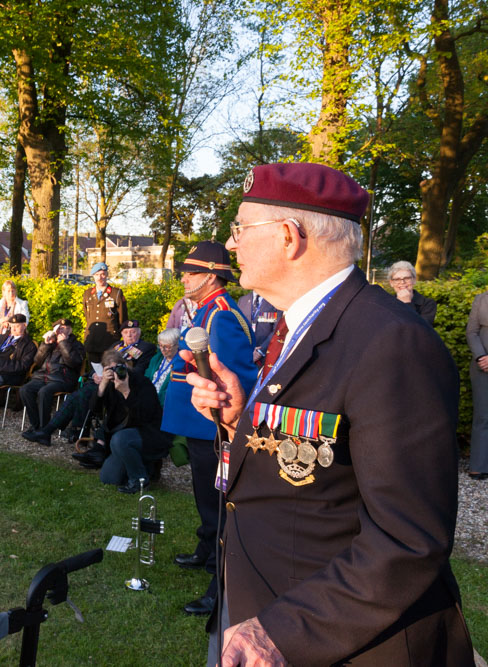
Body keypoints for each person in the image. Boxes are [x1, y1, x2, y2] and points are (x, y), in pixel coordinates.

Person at [186, 162, 473, 665]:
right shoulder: (295, 326)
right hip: (267, 605)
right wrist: (239, 422)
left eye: (239, 229)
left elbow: (408, 539)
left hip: (336, 639)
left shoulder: (390, 342)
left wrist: (283, 631)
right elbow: (317, 462)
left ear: (289, 237)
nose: (230, 246)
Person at [160, 241, 257, 619]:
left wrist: (223, 426)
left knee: (219, 506)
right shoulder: (204, 311)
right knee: (205, 499)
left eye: (192, 271)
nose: (184, 277)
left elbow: (234, 381)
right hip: (196, 426)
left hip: (212, 429)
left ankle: (220, 585)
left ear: (213, 275)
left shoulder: (221, 316)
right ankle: (205, 551)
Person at [24, 319, 155, 448]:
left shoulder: (146, 347)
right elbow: (102, 363)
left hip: (119, 385)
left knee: (79, 396)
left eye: (133, 332)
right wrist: (93, 374)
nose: (130, 335)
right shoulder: (116, 346)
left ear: (139, 333)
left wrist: (110, 376)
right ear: (122, 334)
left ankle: (58, 431)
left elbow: (137, 371)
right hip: (100, 382)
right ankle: (65, 431)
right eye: (126, 332)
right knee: (78, 396)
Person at [89, 350, 170, 492]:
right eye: (110, 370)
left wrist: (126, 392)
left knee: (121, 439)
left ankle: (139, 480)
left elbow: (144, 417)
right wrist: (102, 385)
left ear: (126, 365)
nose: (116, 373)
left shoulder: (141, 382)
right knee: (109, 478)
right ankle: (144, 466)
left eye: (119, 368)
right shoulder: (110, 385)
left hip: (148, 434)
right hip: (122, 438)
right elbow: (94, 409)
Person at [19, 318, 85, 434]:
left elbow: (74, 362)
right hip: (43, 376)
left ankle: (44, 430)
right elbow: (37, 361)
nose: (63, 331)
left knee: (44, 392)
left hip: (63, 379)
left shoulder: (76, 345)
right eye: (60, 329)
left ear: (70, 330)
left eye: (67, 329)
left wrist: (63, 343)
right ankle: (36, 425)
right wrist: (45, 345)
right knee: (25, 389)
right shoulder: (51, 342)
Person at [82, 261, 128, 363]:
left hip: (110, 340)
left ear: (107, 275)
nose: (100, 277)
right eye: (97, 275)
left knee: (109, 369)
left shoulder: (116, 293)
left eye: (103, 274)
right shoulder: (88, 293)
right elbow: (87, 315)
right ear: (93, 276)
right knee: (94, 371)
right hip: (92, 339)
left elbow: (123, 317)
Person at [467, 289, 488, 481]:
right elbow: (472, 332)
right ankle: (478, 464)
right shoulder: (481, 299)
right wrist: (481, 356)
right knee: (482, 415)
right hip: (483, 366)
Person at [236, 291, 280, 366]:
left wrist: (261, 351)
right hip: (244, 357)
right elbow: (237, 327)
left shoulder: (275, 299)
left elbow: (277, 329)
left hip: (266, 357)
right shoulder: (242, 300)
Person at [389, 260, 437, 326]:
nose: (402, 282)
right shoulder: (386, 303)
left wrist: (407, 304)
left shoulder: (428, 304)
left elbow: (420, 329)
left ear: (414, 280)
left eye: (407, 278)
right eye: (397, 279)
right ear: (391, 283)